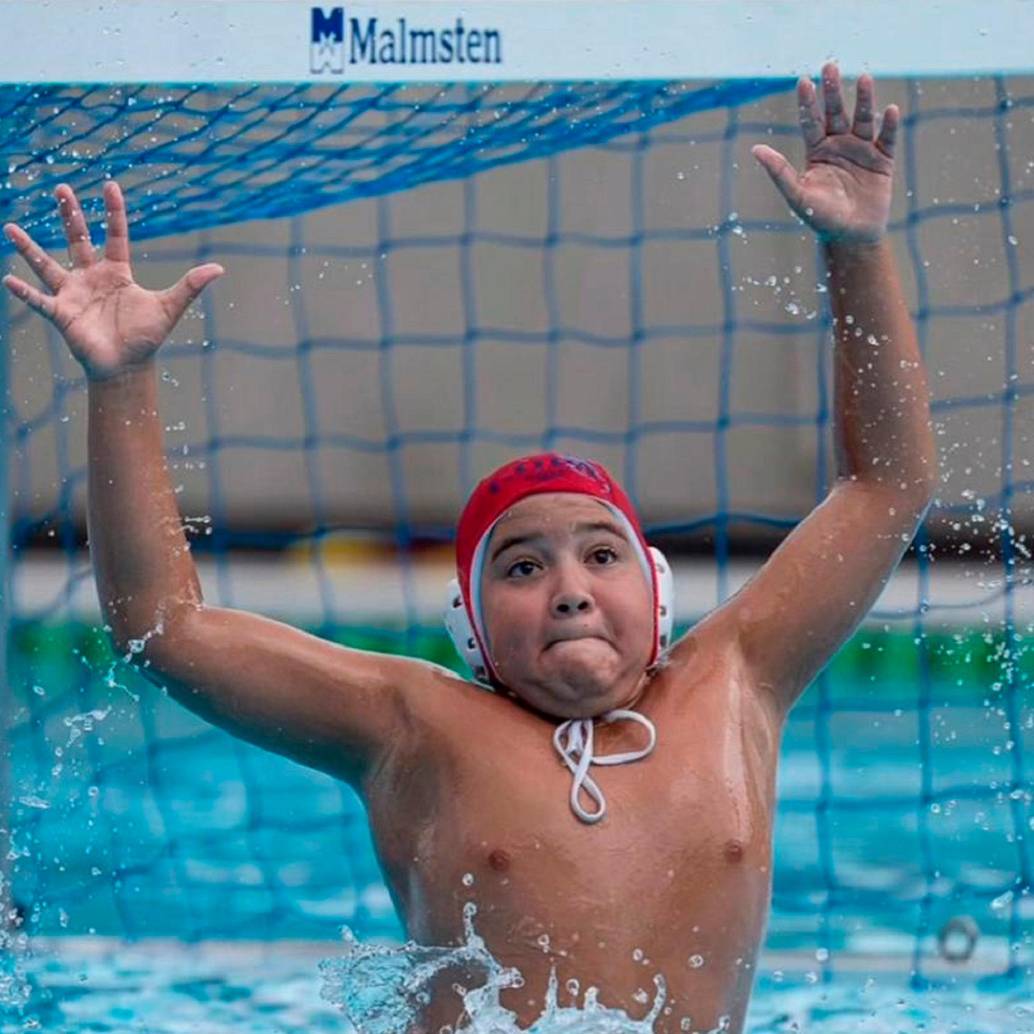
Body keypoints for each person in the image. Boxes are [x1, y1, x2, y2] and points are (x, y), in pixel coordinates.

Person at [2, 63, 935, 1033]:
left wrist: (855, 248)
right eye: (522, 566)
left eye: (600, 555)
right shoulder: (414, 725)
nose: (569, 588)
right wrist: (122, 382)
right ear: (473, 630)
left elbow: (883, 486)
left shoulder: (734, 678)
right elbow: (161, 627)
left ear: (657, 592)